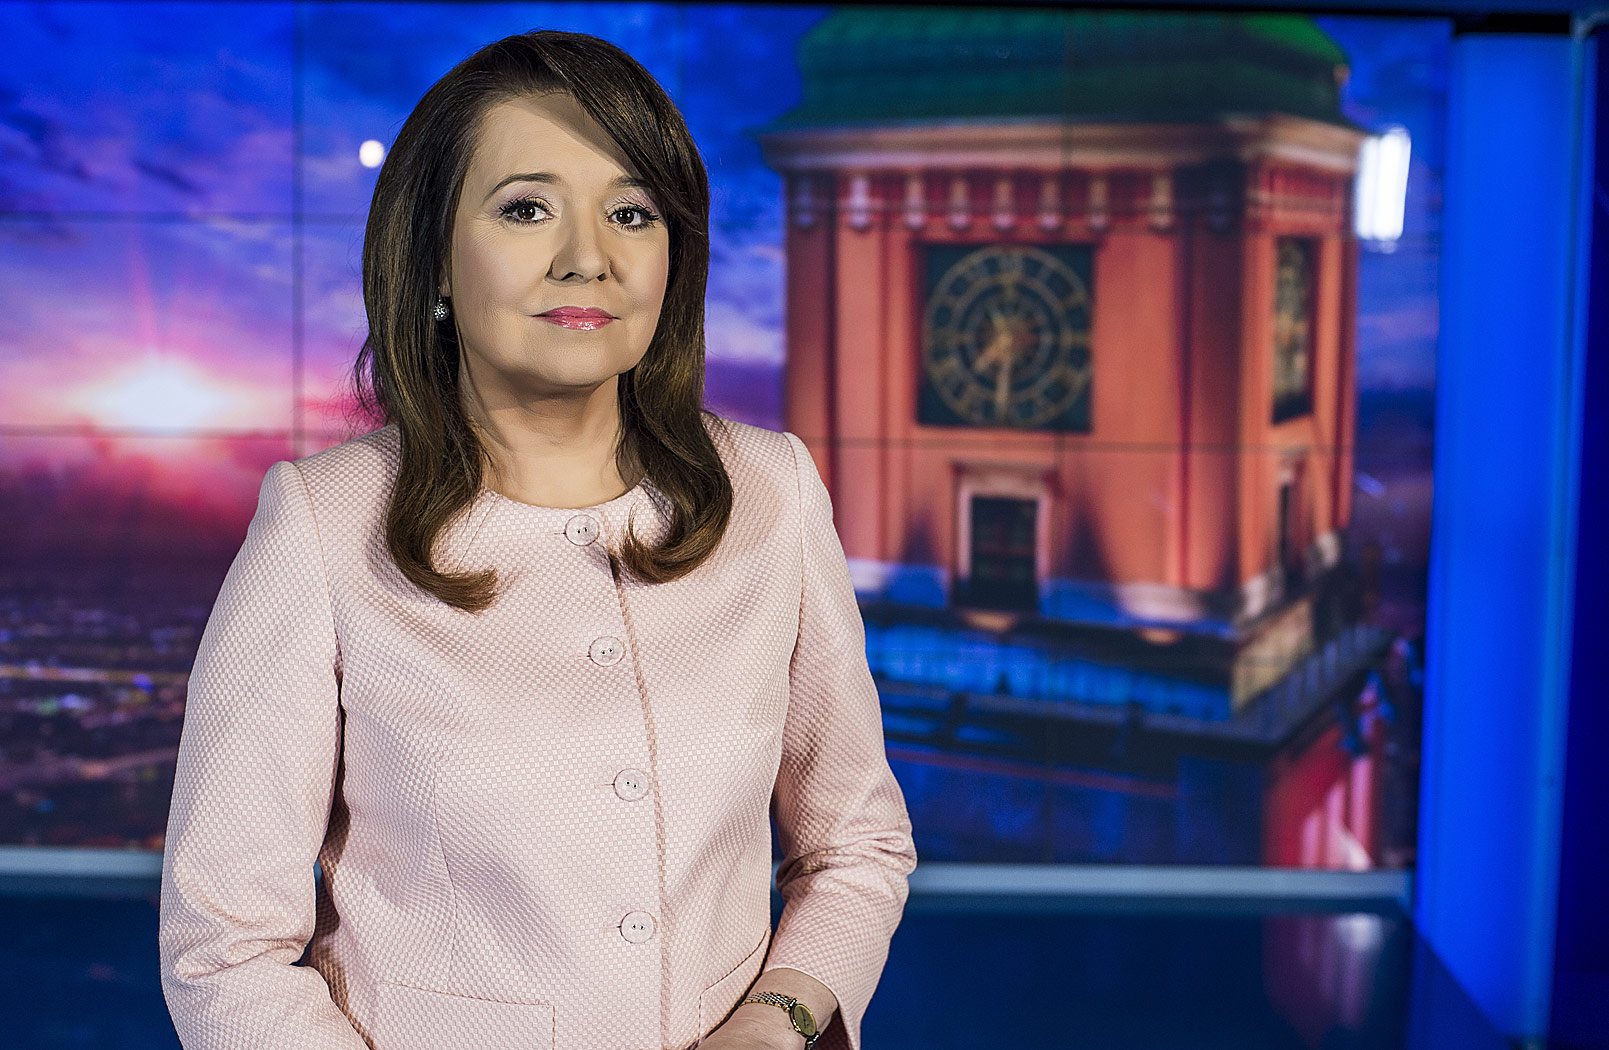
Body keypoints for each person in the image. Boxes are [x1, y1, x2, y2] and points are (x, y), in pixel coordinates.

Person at [156, 28, 916, 1050]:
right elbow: (224, 952)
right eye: (526, 209)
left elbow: (856, 847)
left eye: (631, 213)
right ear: (433, 259)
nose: (587, 258)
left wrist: (776, 1022)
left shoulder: (770, 490)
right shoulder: (323, 524)